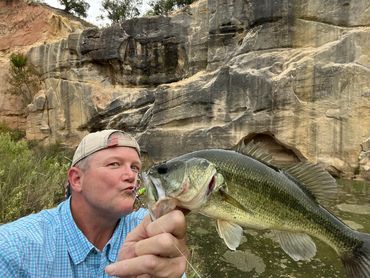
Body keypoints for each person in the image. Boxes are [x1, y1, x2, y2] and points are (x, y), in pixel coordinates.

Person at [0, 129, 188, 277]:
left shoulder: (152, 231)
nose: (132, 176)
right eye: (114, 164)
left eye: (135, 167)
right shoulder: (13, 248)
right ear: (76, 179)